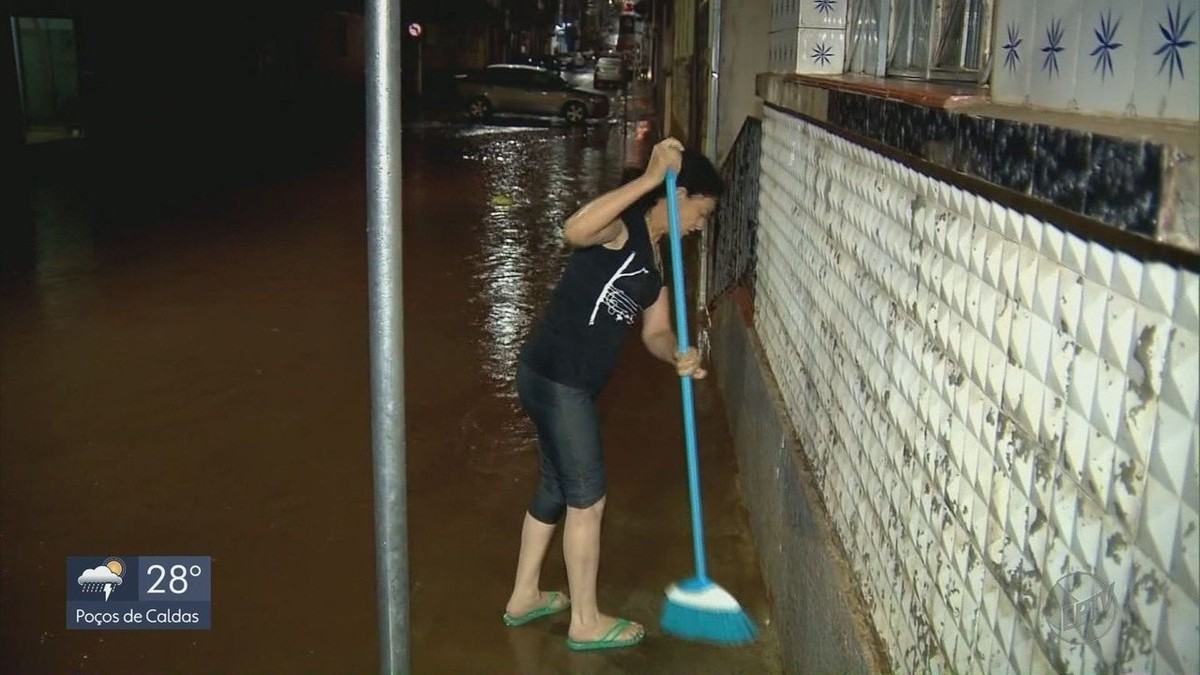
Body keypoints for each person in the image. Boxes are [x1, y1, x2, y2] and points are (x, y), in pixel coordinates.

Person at [501, 137, 724, 651]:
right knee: (589, 500)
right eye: (702, 211)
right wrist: (648, 180)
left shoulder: (658, 260)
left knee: (556, 489)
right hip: (559, 380)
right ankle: (585, 621)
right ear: (680, 192)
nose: (700, 224)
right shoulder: (623, 231)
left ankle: (524, 596)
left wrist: (678, 355)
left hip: (549, 376)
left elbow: (656, 332)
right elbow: (573, 230)